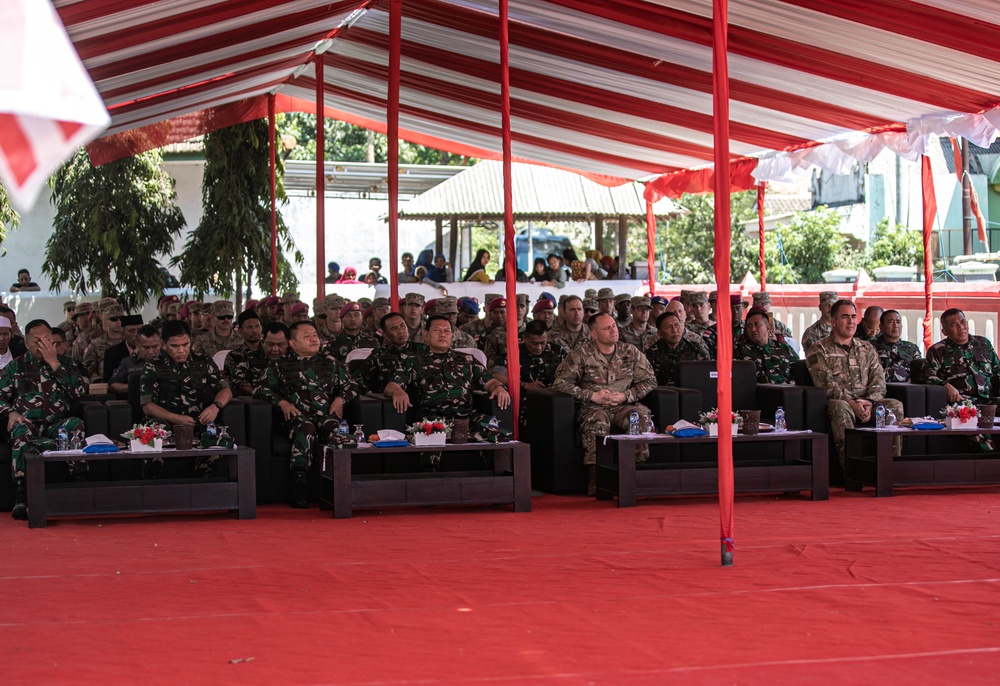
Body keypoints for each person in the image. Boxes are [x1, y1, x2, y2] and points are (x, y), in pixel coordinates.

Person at [256, 320, 358, 508]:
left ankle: (339, 487)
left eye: (314, 335)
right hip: (295, 418)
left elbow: (352, 386)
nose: (313, 339)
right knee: (306, 428)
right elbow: (261, 389)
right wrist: (282, 402)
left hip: (325, 414)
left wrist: (340, 399)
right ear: (293, 344)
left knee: (334, 428)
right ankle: (300, 485)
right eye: (306, 336)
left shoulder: (330, 363)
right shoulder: (279, 365)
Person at [552, 313, 656, 495]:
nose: (613, 330)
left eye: (614, 326)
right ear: (594, 334)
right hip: (593, 407)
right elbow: (560, 383)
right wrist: (592, 396)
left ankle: (637, 476)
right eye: (607, 328)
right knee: (597, 421)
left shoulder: (630, 352)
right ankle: (597, 479)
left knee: (638, 417)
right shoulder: (581, 355)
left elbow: (650, 381)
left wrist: (626, 395)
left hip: (623, 406)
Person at [1, 320, 89, 519]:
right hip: (28, 424)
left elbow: (79, 392)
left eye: (47, 340)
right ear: (26, 343)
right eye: (37, 341)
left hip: (57, 424)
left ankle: (79, 485)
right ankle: (21, 497)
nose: (43, 345)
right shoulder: (16, 366)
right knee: (19, 430)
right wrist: (11, 412)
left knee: (76, 425)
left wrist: (55, 364)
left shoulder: (67, 364)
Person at [806, 300, 902, 469]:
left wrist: (871, 402)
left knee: (894, 405)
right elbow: (825, 383)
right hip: (839, 403)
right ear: (833, 321)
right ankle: (852, 472)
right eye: (845, 317)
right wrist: (852, 403)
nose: (851, 322)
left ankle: (890, 468)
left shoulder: (867, 348)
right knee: (841, 408)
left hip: (869, 403)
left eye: (853, 317)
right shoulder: (819, 349)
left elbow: (878, 379)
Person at [385, 315, 511, 442]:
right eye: (437, 330)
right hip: (432, 419)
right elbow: (391, 386)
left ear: (452, 335)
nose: (442, 334)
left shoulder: (467, 359)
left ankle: (464, 439)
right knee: (434, 435)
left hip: (466, 417)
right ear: (426, 335)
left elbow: (490, 381)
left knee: (497, 431)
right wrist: (398, 391)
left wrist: (498, 387)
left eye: (447, 331)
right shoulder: (413, 361)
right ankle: (462, 438)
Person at [139, 320, 233, 478]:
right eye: (175, 346)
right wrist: (176, 418)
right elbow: (147, 405)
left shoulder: (203, 362)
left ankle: (201, 485)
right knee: (155, 433)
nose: (181, 350)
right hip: (165, 420)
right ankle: (153, 487)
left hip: (197, 420)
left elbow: (226, 390)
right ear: (163, 344)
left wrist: (215, 406)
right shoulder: (153, 366)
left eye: (185, 344)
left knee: (218, 436)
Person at [925, 308, 1000, 403]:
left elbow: (997, 370)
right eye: (954, 325)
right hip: (962, 401)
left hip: (990, 399)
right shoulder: (937, 351)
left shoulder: (983, 344)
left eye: (963, 322)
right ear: (944, 332)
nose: (961, 327)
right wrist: (944, 385)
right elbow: (928, 377)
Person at [359, 312, 427, 394]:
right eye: (394, 328)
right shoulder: (378, 356)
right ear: (386, 335)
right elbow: (358, 380)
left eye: (403, 326)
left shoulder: (423, 350)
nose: (401, 331)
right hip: (390, 402)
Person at [493, 319, 566, 392]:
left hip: (555, 398)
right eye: (534, 344)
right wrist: (523, 385)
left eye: (543, 343)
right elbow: (496, 375)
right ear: (525, 338)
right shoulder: (513, 353)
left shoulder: (558, 351)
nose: (539, 347)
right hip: (525, 399)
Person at [733, 307, 798, 384]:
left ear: (768, 328)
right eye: (749, 326)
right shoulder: (739, 350)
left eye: (757, 324)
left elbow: (799, 372)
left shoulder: (784, 348)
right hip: (754, 393)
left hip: (784, 392)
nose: (753, 329)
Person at [644, 311, 710, 385]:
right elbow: (647, 382)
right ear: (660, 333)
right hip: (663, 393)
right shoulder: (653, 352)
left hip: (692, 392)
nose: (674, 330)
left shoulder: (695, 348)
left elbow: (707, 372)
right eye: (668, 327)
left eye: (677, 325)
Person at [226, 322, 288, 396]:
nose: (275, 349)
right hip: (258, 403)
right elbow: (236, 381)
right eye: (270, 344)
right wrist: (260, 393)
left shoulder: (295, 359)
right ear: (263, 341)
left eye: (280, 345)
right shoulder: (250, 357)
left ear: (288, 342)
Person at [870, 310, 922, 383]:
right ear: (881, 327)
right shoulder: (870, 347)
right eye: (891, 322)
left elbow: (920, 371)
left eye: (898, 322)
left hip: (906, 389)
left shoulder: (912, 348)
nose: (895, 326)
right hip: (879, 389)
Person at [109, 325, 162, 395]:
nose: (150, 352)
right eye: (146, 347)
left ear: (161, 343)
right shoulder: (128, 363)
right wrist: (136, 386)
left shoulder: (169, 362)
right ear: (137, 345)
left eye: (155, 347)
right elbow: (113, 385)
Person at [83, 304, 126, 380]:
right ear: (106, 321)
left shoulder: (130, 342)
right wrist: (98, 381)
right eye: (114, 319)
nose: (119, 322)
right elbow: (89, 369)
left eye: (121, 318)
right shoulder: (95, 344)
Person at [102, 314, 144, 383]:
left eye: (140, 330)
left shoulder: (150, 350)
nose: (136, 334)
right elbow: (108, 382)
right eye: (131, 331)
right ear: (123, 334)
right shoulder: (112, 353)